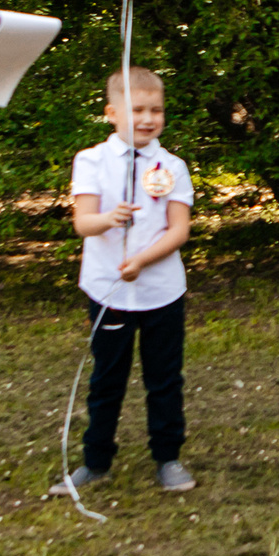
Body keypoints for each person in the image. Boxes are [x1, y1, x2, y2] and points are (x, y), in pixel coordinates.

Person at [63, 66, 197, 495]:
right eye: (137, 109)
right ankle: (95, 460)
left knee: (164, 378)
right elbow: (83, 223)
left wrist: (142, 259)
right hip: (108, 290)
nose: (147, 118)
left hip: (162, 290)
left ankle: (168, 457)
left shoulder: (172, 165)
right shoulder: (91, 160)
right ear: (111, 113)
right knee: (107, 379)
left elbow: (179, 230)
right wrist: (108, 218)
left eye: (156, 109)